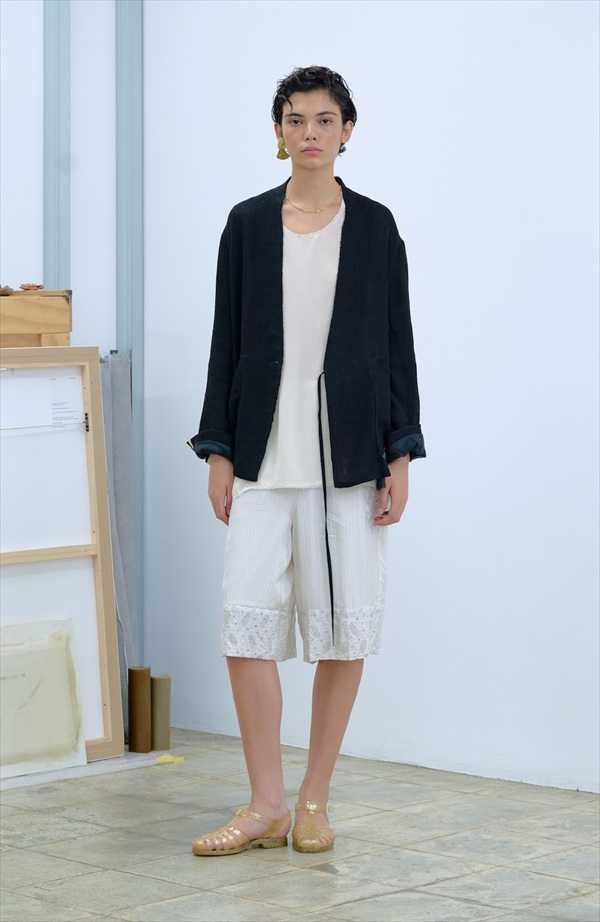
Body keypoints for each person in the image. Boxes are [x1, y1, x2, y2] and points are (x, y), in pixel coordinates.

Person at [188, 65, 425, 856]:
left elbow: (396, 344)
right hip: (262, 453)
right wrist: (218, 449)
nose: (311, 133)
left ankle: (314, 799)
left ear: (347, 130)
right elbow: (226, 341)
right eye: (296, 120)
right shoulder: (247, 224)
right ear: (279, 131)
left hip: (351, 457)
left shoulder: (377, 226)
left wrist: (401, 452)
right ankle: (266, 804)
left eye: (325, 120)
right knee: (245, 628)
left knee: (343, 633)